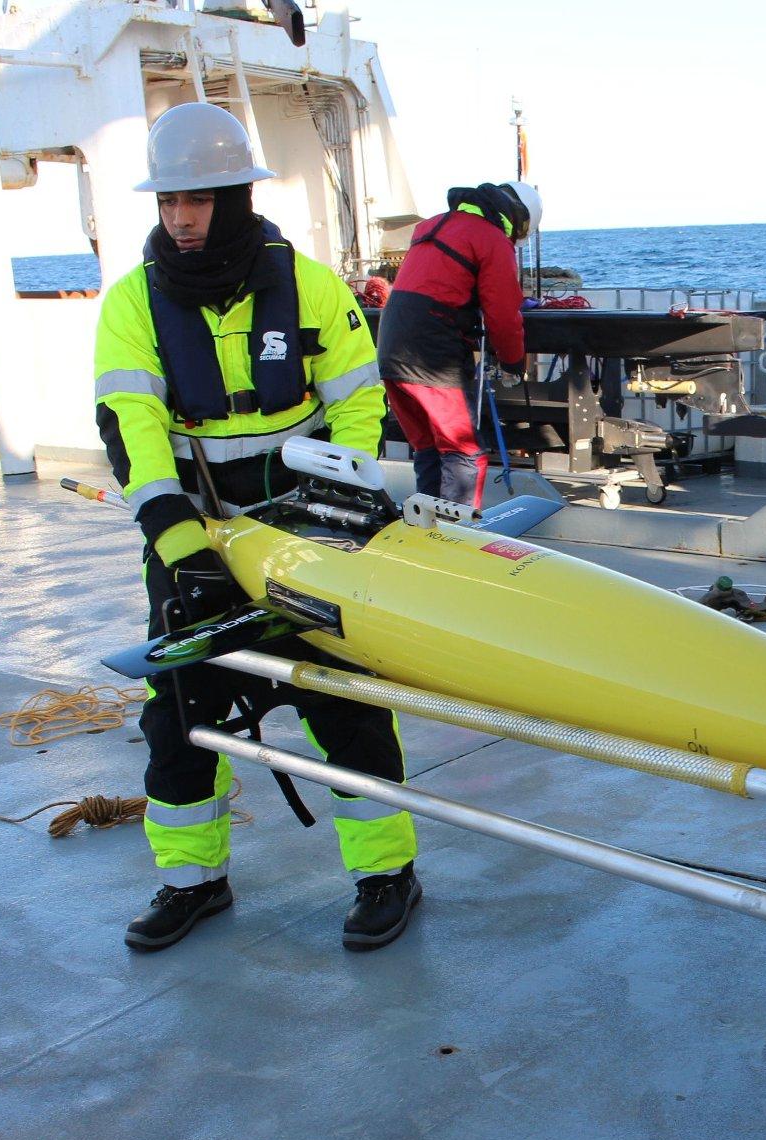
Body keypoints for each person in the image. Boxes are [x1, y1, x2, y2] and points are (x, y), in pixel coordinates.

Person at [94, 102, 423, 954]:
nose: (181, 218)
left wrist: (332, 507)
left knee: (346, 704)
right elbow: (130, 427)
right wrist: (180, 545)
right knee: (177, 714)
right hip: (194, 539)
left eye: (197, 200)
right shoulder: (132, 304)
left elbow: (359, 402)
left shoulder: (309, 286)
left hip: (305, 531)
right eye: (169, 201)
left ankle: (387, 872)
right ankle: (192, 880)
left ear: (238, 197)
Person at [376, 181, 543, 508]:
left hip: (390, 347)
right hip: (432, 354)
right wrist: (513, 362)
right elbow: (503, 315)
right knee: (463, 450)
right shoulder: (491, 238)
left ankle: (426, 527)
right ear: (517, 219)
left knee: (428, 446)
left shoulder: (435, 226)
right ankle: (457, 532)